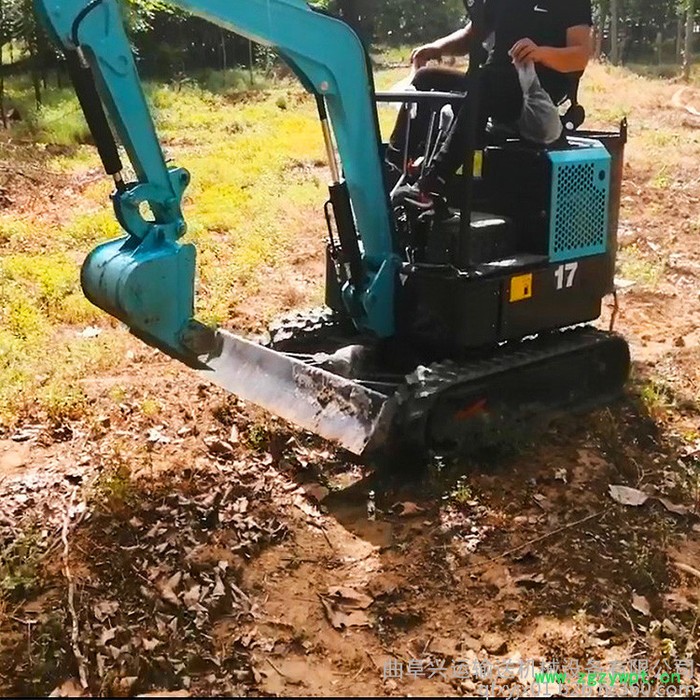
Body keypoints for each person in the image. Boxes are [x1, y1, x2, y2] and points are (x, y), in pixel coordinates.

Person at [389, 0, 593, 210]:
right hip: (491, 85)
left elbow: (580, 56)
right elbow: (473, 34)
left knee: (485, 81)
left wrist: (540, 53)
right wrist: (435, 48)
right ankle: (395, 167)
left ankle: (433, 184)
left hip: (536, 97)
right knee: (426, 78)